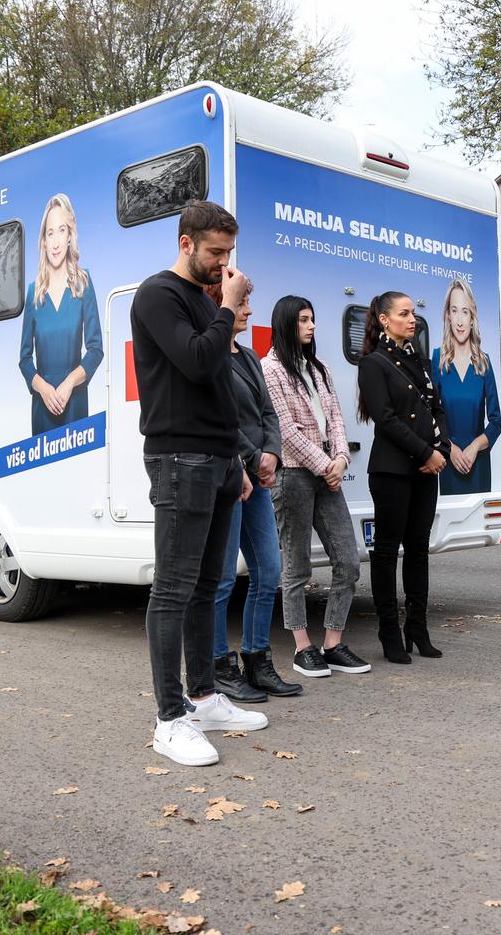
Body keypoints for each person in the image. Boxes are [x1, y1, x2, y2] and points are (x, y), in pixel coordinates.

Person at [131, 199, 269, 767]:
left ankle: (205, 696)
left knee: (210, 586)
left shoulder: (204, 302)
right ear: (185, 243)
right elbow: (193, 360)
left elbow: (218, 388)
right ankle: (169, 719)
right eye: (215, 252)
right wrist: (227, 307)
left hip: (215, 459)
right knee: (173, 588)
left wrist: (237, 459)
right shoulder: (158, 294)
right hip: (178, 458)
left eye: (229, 253)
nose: (223, 263)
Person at [262, 295, 371, 679]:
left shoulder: (320, 367)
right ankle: (302, 648)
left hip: (328, 472)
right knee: (297, 566)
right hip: (293, 474)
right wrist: (327, 465)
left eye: (312, 319)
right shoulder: (270, 369)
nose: (311, 327)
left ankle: (333, 643)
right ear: (287, 324)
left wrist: (340, 459)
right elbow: (286, 432)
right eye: (304, 321)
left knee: (348, 560)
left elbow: (337, 420)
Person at [206, 282, 303, 703]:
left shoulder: (248, 357)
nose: (248, 310)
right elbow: (219, 419)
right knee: (223, 579)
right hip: (228, 480)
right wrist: (251, 457)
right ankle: (218, 666)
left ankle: (257, 659)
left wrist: (272, 454)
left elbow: (268, 413)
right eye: (242, 303)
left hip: (259, 480)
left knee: (268, 570)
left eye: (247, 303)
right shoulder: (209, 357)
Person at [357, 290, 450, 665]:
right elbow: (387, 419)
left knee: (418, 550)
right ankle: (389, 633)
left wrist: (440, 450)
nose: (412, 320)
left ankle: (418, 628)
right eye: (404, 313)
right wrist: (425, 452)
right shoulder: (373, 364)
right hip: (392, 470)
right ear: (384, 319)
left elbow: (437, 410)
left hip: (426, 470)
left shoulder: (422, 363)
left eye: (414, 314)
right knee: (386, 552)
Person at [19, 194, 103, 434]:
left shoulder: (83, 282)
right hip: (42, 410)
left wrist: (68, 385)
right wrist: (44, 389)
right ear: (44, 242)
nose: (55, 242)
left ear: (70, 237)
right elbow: (24, 359)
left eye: (61, 231)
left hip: (75, 404)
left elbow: (95, 349)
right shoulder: (34, 293)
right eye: (50, 233)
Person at [430, 278, 501, 495]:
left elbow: (496, 421)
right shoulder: (437, 359)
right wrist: (450, 449)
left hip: (478, 464)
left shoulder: (484, 362)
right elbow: (430, 415)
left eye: (465, 311)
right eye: (454, 311)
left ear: (472, 318)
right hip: (445, 463)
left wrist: (474, 448)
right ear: (448, 316)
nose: (460, 320)